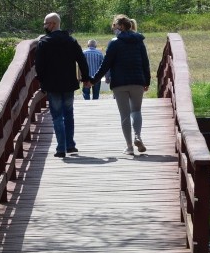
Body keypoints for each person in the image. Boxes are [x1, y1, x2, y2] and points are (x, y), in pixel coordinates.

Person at [91, 15, 151, 156]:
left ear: (120, 27)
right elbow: (145, 63)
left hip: (119, 83)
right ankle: (138, 136)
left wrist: (93, 80)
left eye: (114, 26)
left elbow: (106, 64)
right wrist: (146, 81)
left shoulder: (114, 43)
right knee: (136, 111)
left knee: (124, 115)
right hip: (137, 81)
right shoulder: (139, 41)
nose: (113, 29)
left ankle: (129, 147)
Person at [34, 13, 91, 158]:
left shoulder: (44, 42)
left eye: (46, 23)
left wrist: (41, 82)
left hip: (53, 85)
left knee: (57, 116)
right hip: (68, 83)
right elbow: (82, 60)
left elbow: (39, 66)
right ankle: (70, 145)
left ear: (53, 24)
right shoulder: (71, 41)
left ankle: (60, 148)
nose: (44, 26)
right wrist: (86, 78)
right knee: (68, 114)